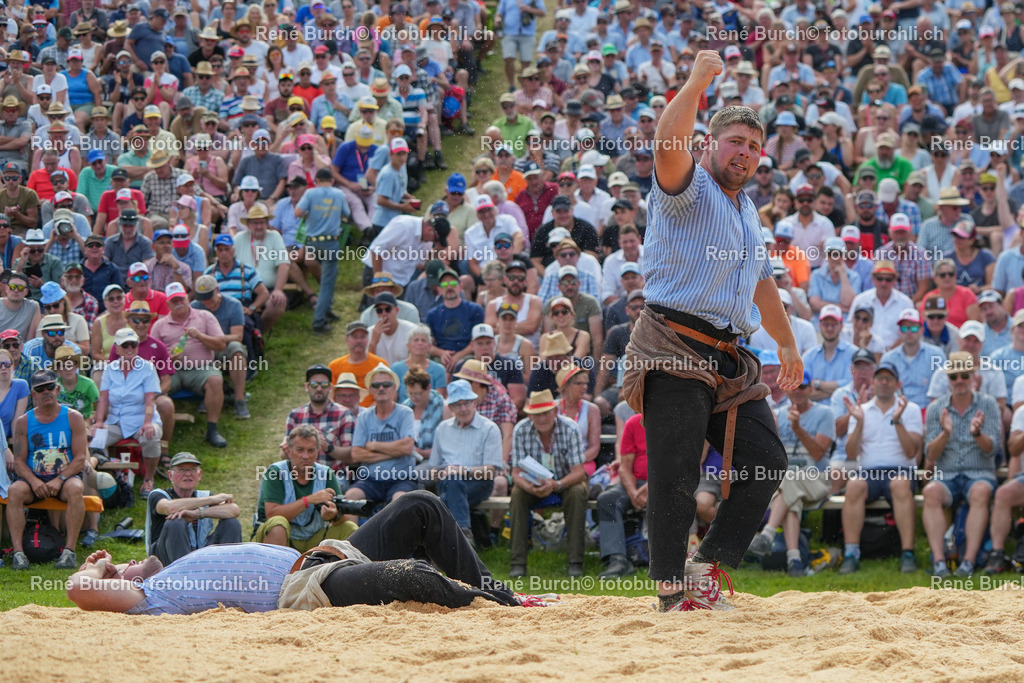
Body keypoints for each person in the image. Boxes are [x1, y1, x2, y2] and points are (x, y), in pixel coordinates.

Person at [621, 51, 801, 612]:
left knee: (768, 460)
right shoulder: (688, 185)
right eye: (735, 142)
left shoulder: (748, 213)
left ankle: (709, 564)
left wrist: (788, 341)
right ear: (709, 144)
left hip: (728, 354)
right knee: (675, 476)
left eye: (753, 146)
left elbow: (763, 284)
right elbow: (665, 146)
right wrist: (697, 83)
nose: (744, 153)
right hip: (672, 342)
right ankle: (672, 595)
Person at [67, 490, 519, 614]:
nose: (124, 561)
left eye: (120, 560)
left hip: (325, 556)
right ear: (122, 583)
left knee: (419, 505)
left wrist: (111, 568)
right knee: (411, 574)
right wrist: (100, 565)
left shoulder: (166, 570)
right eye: (121, 567)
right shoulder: (150, 596)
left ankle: (505, 595)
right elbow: (77, 591)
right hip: (303, 590)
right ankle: (492, 607)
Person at [746, 372, 834, 577]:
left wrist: (797, 428)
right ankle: (794, 561)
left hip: (816, 477)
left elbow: (819, 453)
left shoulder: (825, 413)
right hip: (786, 482)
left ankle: (767, 534)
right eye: (794, 386)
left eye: (803, 387)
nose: (798, 391)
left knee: (789, 480)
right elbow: (769, 454)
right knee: (790, 494)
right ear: (786, 389)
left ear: (811, 389)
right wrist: (772, 429)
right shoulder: (778, 412)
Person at [839, 361, 923, 574]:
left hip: (901, 470)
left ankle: (908, 552)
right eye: (880, 378)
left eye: (889, 379)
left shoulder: (910, 409)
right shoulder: (861, 411)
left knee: (900, 484)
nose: (884, 383)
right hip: (869, 472)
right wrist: (858, 423)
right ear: (873, 382)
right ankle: (851, 553)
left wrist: (898, 421)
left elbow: (912, 452)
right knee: (854, 486)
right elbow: (850, 453)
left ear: (897, 383)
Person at [923, 352, 1001, 578]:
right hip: (946, 475)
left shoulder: (988, 404)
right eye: (954, 376)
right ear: (948, 379)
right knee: (930, 492)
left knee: (980, 492)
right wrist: (945, 434)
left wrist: (977, 434)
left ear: (973, 376)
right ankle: (939, 562)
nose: (959, 380)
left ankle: (968, 562)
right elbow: (930, 453)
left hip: (980, 474)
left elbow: (993, 449)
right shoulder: (936, 408)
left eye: (964, 375)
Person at [5, 369, 89, 570]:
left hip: (65, 478)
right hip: (34, 479)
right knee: (14, 491)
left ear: (58, 389)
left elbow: (80, 458)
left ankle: (69, 551)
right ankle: (18, 553)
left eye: (50, 387)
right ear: (32, 394)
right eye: (40, 389)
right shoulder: (23, 422)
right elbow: (19, 461)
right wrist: (34, 481)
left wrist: (59, 479)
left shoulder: (73, 417)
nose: (46, 392)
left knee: (76, 488)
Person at [508, 389, 587, 578]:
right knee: (517, 494)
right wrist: (529, 487)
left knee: (578, 493)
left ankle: (575, 562)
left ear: (555, 411)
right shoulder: (520, 429)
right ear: (529, 415)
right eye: (537, 414)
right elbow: (516, 472)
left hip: (565, 482)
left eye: (545, 412)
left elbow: (579, 472)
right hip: (532, 484)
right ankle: (517, 562)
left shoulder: (570, 428)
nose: (542, 418)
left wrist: (556, 485)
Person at [254, 424, 359, 550]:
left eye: (311, 450)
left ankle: (348, 570)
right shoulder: (275, 472)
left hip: (312, 540)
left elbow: (344, 515)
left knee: (349, 528)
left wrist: (333, 515)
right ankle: (277, 568)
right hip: (279, 539)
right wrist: (308, 500)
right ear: (289, 451)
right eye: (300, 450)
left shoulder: (326, 473)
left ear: (317, 452)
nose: (305, 456)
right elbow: (272, 514)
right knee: (278, 525)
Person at [149, 283, 230, 448]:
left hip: (202, 368)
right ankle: (151, 429)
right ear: (168, 304)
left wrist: (200, 336)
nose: (178, 303)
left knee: (215, 379)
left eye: (181, 298)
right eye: (174, 300)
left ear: (187, 298)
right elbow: (151, 358)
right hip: (172, 371)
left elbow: (221, 344)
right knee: (152, 387)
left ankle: (212, 429)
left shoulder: (204, 316)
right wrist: (168, 358)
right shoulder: (159, 325)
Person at [427, 379, 502, 538]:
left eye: (466, 403)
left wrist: (461, 471)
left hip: (479, 483)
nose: (463, 408)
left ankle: (454, 538)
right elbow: (434, 467)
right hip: (447, 482)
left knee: (450, 487)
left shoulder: (489, 428)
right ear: (451, 407)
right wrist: (438, 473)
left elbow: (490, 471)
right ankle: (463, 535)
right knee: (451, 482)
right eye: (457, 404)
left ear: (475, 402)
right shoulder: (442, 428)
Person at [94, 326, 163, 497]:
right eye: (125, 346)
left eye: (133, 345)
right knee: (95, 438)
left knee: (151, 435)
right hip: (116, 420)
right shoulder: (110, 368)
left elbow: (150, 399)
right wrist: (99, 422)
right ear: (116, 348)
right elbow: (103, 398)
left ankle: (148, 479)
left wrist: (147, 422)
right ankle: (104, 480)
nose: (130, 349)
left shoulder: (147, 367)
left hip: (142, 418)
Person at [146, 452, 243, 565]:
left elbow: (234, 510)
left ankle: (226, 575)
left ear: (199, 475)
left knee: (231, 523)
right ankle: (183, 576)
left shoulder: (203, 495)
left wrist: (198, 513)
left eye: (193, 469)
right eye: (181, 469)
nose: (188, 474)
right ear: (170, 475)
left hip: (201, 552)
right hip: (166, 558)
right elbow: (170, 508)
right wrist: (211, 500)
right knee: (176, 521)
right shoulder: (158, 495)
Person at [345, 364, 417, 506]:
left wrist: (374, 446)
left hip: (401, 479)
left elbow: (407, 447)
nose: (381, 388)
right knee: (350, 498)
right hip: (370, 480)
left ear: (394, 388)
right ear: (370, 389)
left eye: (386, 384)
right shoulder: (363, 417)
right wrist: (395, 452)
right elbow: (357, 454)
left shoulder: (405, 413)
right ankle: (353, 530)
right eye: (376, 385)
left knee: (400, 502)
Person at [294, 167, 351, 334]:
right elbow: (346, 214)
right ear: (332, 181)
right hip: (330, 242)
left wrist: (311, 215)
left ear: (316, 180)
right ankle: (318, 322)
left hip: (312, 242)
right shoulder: (339, 194)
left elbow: (297, 212)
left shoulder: (311, 194)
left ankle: (326, 310)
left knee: (325, 280)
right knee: (327, 282)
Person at [285, 364, 355, 470]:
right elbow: (283, 456)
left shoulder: (344, 414)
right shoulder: (295, 415)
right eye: (314, 384)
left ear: (330, 387)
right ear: (306, 387)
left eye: (324, 384)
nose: (319, 388)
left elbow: (350, 455)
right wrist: (285, 449)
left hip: (333, 475)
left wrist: (328, 448)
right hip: (300, 475)